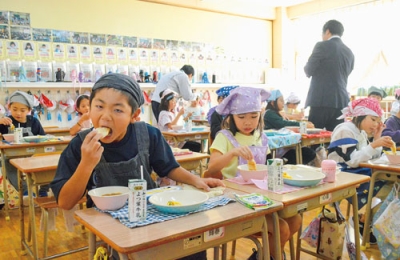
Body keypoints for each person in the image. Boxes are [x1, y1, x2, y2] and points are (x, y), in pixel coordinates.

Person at [50, 74, 223, 260]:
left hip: (150, 217)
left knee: (192, 248)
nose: (105, 117)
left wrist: (197, 180)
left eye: (117, 110)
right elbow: (66, 202)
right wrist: (86, 163)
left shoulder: (148, 135)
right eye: (99, 107)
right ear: (89, 109)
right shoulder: (79, 145)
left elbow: (169, 168)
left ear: (134, 115)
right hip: (108, 229)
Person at [207, 87, 301, 260]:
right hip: (234, 201)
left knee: (295, 220)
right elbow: (211, 168)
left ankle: (264, 256)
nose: (248, 122)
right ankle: (271, 256)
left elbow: (263, 168)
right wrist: (232, 153)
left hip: (261, 197)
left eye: (254, 116)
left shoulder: (260, 137)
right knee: (281, 228)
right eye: (242, 117)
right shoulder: (224, 136)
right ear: (232, 117)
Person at [327, 97, 393, 244]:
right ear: (360, 115)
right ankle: (366, 220)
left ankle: (365, 219)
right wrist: (374, 144)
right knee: (388, 183)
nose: (376, 124)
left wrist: (377, 139)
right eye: (373, 119)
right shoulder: (345, 129)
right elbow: (352, 160)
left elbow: (372, 156)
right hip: (342, 173)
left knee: (393, 184)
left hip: (356, 170)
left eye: (378, 121)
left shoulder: (360, 132)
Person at [304, 19, 355, 131]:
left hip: (321, 100)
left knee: (313, 137)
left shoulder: (322, 46)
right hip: (341, 102)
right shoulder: (349, 52)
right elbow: (347, 73)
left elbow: (309, 69)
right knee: (336, 138)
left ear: (327, 31)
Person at [0, 91, 46, 195]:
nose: (18, 113)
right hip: (12, 157)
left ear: (29, 110)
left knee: (49, 162)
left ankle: (44, 190)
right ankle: (25, 192)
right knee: (8, 167)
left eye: (22, 110)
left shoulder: (34, 122)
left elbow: (44, 137)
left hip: (32, 155)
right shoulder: (6, 121)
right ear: (9, 108)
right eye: (14, 109)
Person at [264, 90, 316, 165]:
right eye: (281, 101)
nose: (283, 103)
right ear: (272, 102)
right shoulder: (269, 113)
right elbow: (283, 124)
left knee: (309, 153)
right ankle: (286, 164)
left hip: (283, 146)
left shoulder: (276, 113)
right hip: (277, 148)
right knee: (308, 153)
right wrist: (302, 124)